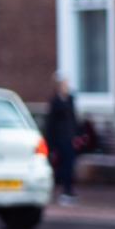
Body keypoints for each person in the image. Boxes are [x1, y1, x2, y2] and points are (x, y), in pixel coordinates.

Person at [46, 72, 80, 204]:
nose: (66, 87)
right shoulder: (55, 101)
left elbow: (74, 119)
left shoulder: (70, 99)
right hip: (59, 139)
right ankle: (62, 191)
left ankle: (69, 190)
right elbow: (51, 123)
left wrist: (77, 135)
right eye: (64, 84)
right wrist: (50, 142)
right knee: (61, 166)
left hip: (70, 138)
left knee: (70, 165)